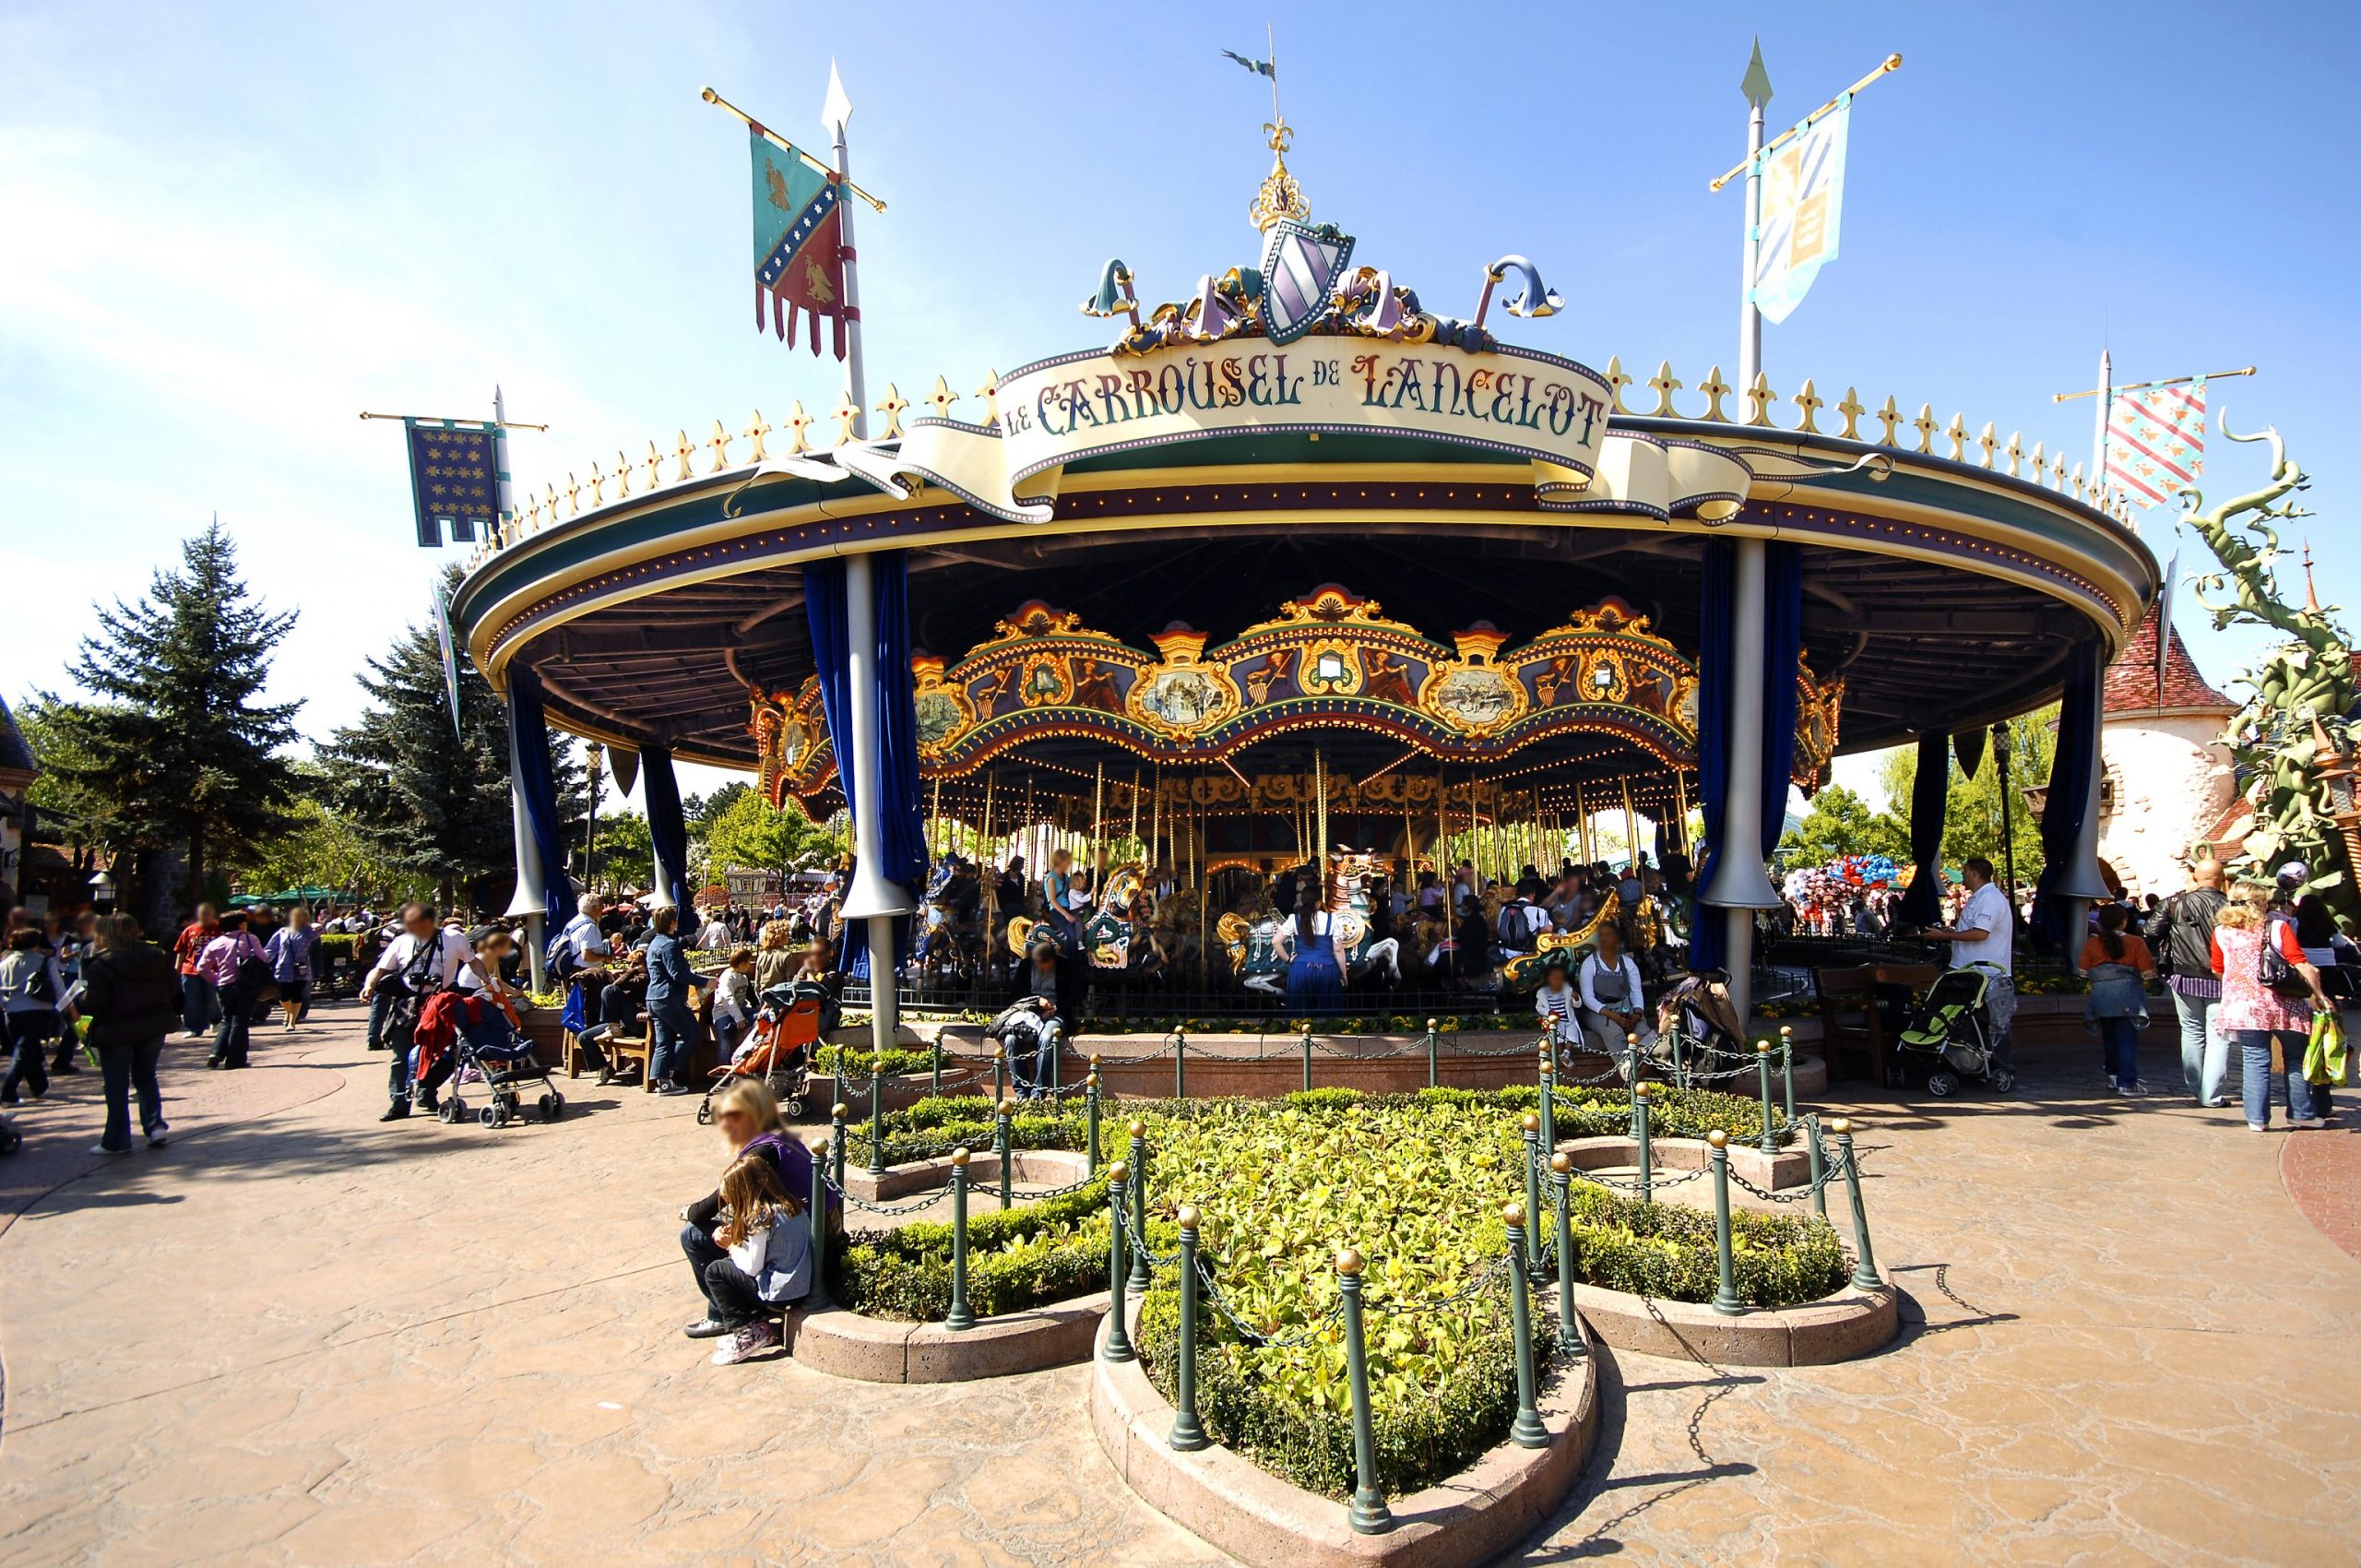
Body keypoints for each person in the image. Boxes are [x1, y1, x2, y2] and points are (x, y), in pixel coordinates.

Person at [679, 1079, 826, 1336]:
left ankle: (726, 1314)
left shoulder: (759, 1154)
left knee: (693, 1234)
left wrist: (694, 1215)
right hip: (812, 1228)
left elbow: (710, 1206)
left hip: (793, 1252)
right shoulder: (780, 1139)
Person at [2211, 882, 2334, 1132]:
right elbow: (2301, 964)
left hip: (2242, 1006)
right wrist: (2320, 995)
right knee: (2296, 1058)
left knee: (2255, 1060)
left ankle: (2257, 1119)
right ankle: (2301, 1113)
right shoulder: (2278, 927)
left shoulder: (2221, 932)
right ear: (2261, 903)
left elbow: (2217, 968)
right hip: (2283, 1005)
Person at [360, 904, 493, 1121]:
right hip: (408, 1003)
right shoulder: (401, 942)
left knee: (439, 1053)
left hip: (440, 1003)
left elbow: (473, 961)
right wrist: (369, 985)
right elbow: (381, 968)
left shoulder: (453, 938)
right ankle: (399, 1103)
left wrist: (487, 982)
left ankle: (427, 1095)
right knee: (401, 1055)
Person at [691, 1154, 812, 1365]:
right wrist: (739, 1241)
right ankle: (758, 1326)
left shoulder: (760, 1217)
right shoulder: (790, 1206)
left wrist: (730, 1245)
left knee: (716, 1271)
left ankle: (748, 1332)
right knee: (728, 1267)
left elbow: (752, 1268)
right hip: (799, 1285)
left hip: (780, 1293)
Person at [77, 913, 178, 1154]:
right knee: (146, 1076)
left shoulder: (101, 964)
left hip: (116, 1029)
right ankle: (154, 1125)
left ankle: (117, 1139)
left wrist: (79, 999)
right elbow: (174, 988)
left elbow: (95, 1002)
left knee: (116, 1084)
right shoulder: (158, 957)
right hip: (153, 1024)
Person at [1917, 856, 2016, 1076]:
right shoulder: (1977, 898)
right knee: (1963, 1019)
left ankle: (2000, 1066)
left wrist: (1943, 935)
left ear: (1974, 873)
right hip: (1967, 969)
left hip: (1985, 973)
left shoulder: (1990, 898)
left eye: (1964, 871)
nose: (1961, 875)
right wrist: (1952, 933)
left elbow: (1981, 933)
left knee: (1993, 1023)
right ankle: (1970, 1062)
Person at [2150, 858, 2231, 1106]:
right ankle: (2212, 1095)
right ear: (2222, 879)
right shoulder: (2232, 905)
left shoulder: (2176, 903)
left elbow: (2151, 931)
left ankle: (2196, 1089)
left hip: (2184, 976)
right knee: (2218, 1036)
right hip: (2221, 978)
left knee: (2192, 1032)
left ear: (2196, 877)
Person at [2081, 903, 2156, 1095]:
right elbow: (2148, 973)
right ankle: (2128, 1082)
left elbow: (2082, 971)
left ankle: (2114, 1075)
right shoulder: (2136, 942)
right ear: (2124, 922)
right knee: (2126, 1039)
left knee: (2109, 1037)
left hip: (2101, 996)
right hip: (2128, 995)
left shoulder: (2092, 943)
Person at [1, 927, 71, 1106]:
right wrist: (68, 1008)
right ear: (35, 943)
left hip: (12, 1012)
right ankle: (8, 1092)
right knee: (24, 1052)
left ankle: (39, 1086)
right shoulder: (45, 962)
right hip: (38, 1010)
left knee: (26, 1049)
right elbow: (58, 987)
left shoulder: (5, 962)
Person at [198, 912, 267, 1070]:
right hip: (245, 985)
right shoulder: (250, 939)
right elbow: (263, 958)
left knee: (227, 1019)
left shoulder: (216, 943)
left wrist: (216, 978)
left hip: (224, 986)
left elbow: (202, 967)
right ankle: (235, 1060)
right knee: (240, 1023)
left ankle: (216, 1052)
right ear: (240, 924)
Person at [1578, 922, 1655, 1063]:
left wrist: (1637, 1014)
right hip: (1597, 1010)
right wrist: (1613, 1015)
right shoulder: (1590, 964)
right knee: (1614, 1032)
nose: (1605, 940)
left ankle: (1648, 1064)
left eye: (1609, 935)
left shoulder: (1628, 963)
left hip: (1623, 1006)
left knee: (1642, 1031)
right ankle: (1628, 1070)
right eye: (1602, 936)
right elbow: (1588, 998)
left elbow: (1636, 992)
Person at [643, 907, 698, 1095]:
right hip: (668, 997)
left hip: (653, 997)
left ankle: (662, 1082)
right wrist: (706, 981)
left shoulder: (654, 944)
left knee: (664, 1041)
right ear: (672, 923)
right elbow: (678, 974)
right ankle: (669, 1072)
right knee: (691, 1033)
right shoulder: (670, 944)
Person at [1275, 892, 1343, 1015]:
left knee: (1301, 1013)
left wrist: (1288, 959)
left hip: (1300, 969)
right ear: (1318, 903)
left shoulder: (1294, 919)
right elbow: (1338, 950)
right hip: (1326, 968)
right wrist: (1344, 974)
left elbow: (1275, 942)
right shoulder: (1332, 919)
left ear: (1302, 901)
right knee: (1328, 1013)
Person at [266, 906, 320, 1031]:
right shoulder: (283, 932)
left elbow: (320, 929)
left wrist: (312, 925)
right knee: (283, 996)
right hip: (284, 967)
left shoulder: (308, 932)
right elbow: (270, 949)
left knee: (296, 995)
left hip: (301, 968)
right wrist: (260, 959)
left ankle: (292, 1021)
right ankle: (288, 1012)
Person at [172, 903, 221, 1039]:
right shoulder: (189, 930)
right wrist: (178, 967)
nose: (205, 916)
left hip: (211, 970)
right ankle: (193, 1027)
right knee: (191, 1000)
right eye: (203, 913)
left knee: (212, 998)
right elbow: (181, 950)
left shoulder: (218, 929)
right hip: (190, 969)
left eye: (208, 913)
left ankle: (215, 1021)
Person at [713, 947, 756, 1059]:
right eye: (749, 962)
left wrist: (759, 1007)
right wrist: (739, 1018)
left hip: (741, 1009)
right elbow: (728, 999)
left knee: (762, 1014)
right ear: (742, 964)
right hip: (723, 1013)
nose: (750, 964)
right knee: (725, 1043)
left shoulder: (744, 976)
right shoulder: (727, 978)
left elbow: (751, 996)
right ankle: (723, 1068)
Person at [1535, 955, 1582, 1054]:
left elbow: (1577, 1005)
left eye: (1560, 978)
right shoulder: (1543, 993)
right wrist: (1548, 1012)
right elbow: (1539, 1007)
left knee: (1572, 1034)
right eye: (1555, 978)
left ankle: (1567, 1053)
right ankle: (1560, 1054)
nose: (1558, 981)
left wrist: (1576, 998)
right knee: (1557, 1036)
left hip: (1568, 1020)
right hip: (1555, 1021)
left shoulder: (1567, 990)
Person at [753, 920, 798, 994]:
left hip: (764, 994)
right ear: (781, 936)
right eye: (787, 934)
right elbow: (790, 981)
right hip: (781, 995)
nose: (789, 936)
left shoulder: (762, 955)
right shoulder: (786, 955)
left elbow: (757, 983)